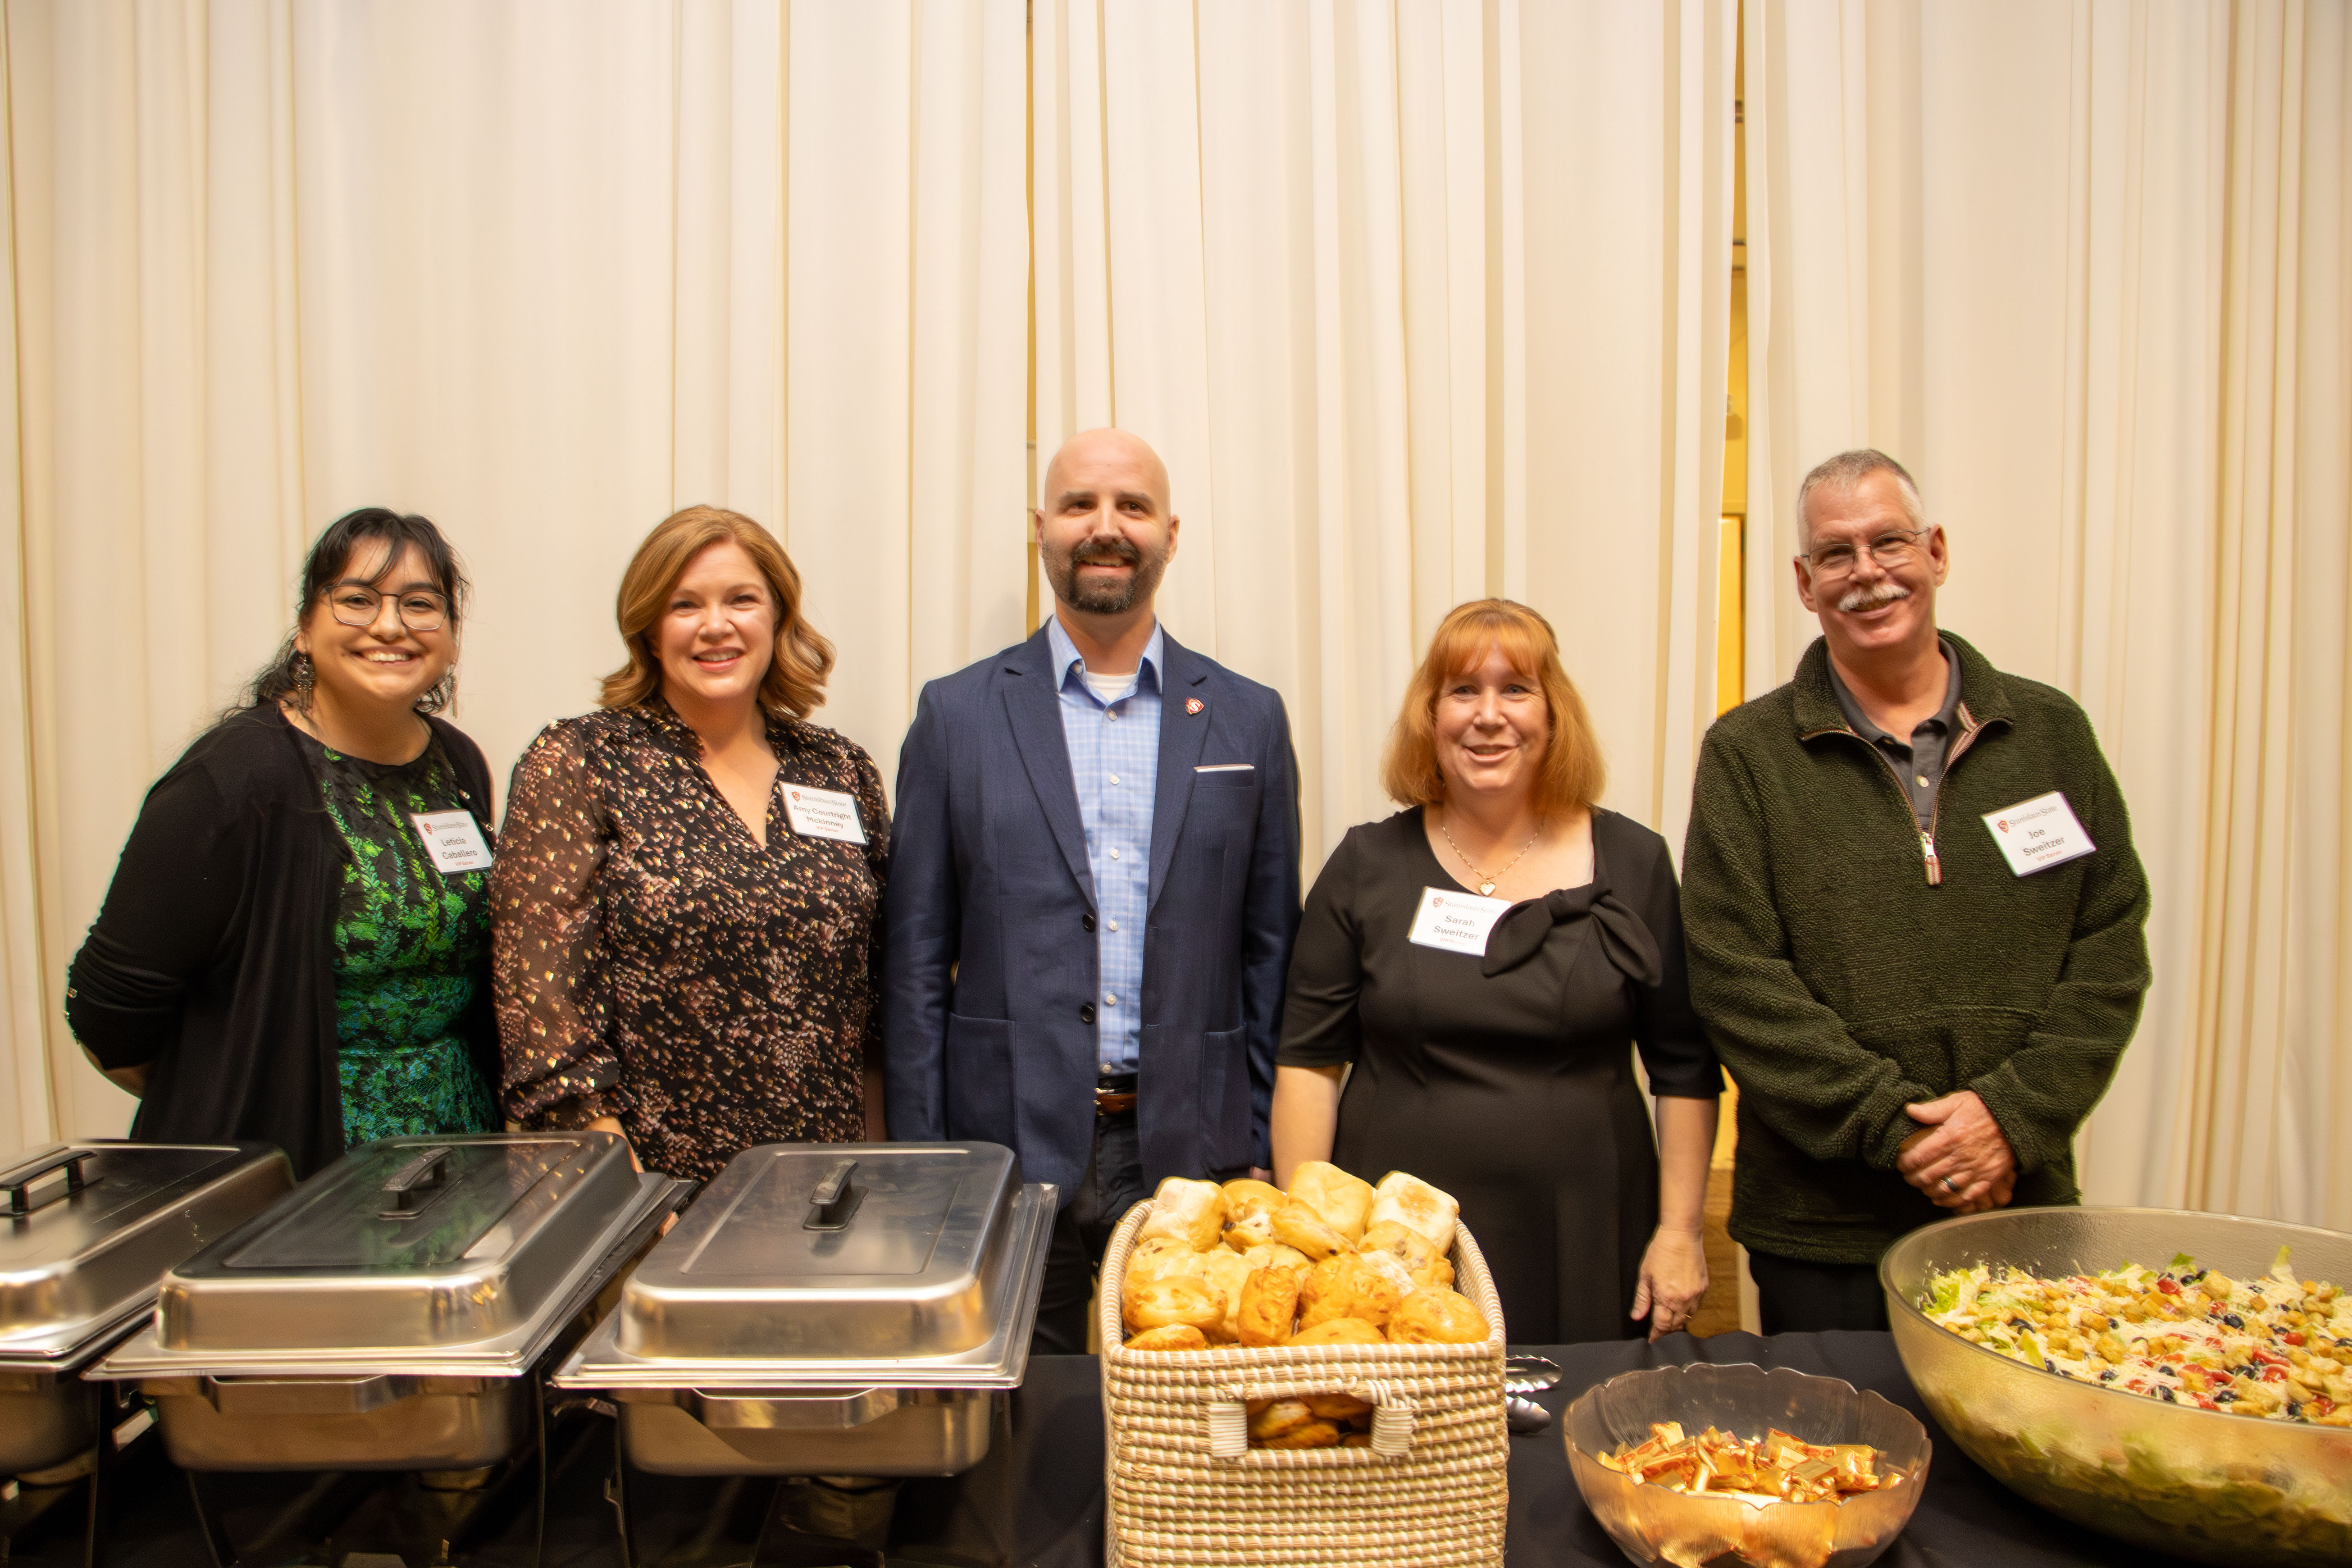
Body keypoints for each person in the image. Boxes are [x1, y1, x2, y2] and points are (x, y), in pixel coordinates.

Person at [1681, 449, 2152, 1334]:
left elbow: (2110, 943)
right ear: (1803, 583)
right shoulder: (1748, 756)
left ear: (1936, 551)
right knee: (1837, 1472)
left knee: (2027, 1464)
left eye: (1888, 542)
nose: (1868, 573)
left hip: (2020, 1209)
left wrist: (2009, 1121)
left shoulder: (2050, 735)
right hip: (1823, 1237)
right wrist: (1909, 1138)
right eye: (1836, 554)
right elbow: (1735, 979)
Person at [884, 427, 1302, 1354]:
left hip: (1194, 1151)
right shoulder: (956, 715)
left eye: (1132, 507)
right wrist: (920, 1163)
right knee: (1013, 1412)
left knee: (1179, 1421)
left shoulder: (1247, 716)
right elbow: (914, 958)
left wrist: (1269, 1143)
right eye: (1079, 505)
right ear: (1041, 527)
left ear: (1171, 532)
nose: (1105, 528)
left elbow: (1273, 953)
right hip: (1002, 1143)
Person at [1271, 599, 1720, 1344]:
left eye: (1516, 689)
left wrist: (1680, 1232)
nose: (1489, 716)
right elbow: (1308, 1066)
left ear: (1553, 714)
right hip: (1394, 1236)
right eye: (1462, 691)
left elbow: (1684, 1069)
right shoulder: (1365, 866)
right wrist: (1306, 1247)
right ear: (1430, 715)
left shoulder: (1636, 862)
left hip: (1586, 1221)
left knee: (1578, 1434)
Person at [66, 509, 499, 1177]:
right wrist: (232, 1097)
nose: (390, 626)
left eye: (421, 605)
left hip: (458, 1147)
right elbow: (109, 1009)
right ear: (304, 628)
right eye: (357, 601)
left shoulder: (458, 764)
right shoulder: (233, 781)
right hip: (300, 1166)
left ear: (450, 638)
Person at [495, 506, 888, 1182]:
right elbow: (543, 1014)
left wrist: (877, 1170)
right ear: (648, 628)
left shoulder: (838, 769)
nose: (716, 625)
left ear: (778, 618)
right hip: (654, 1188)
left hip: (827, 1184)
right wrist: (634, 1211)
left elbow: (875, 997)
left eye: (742, 600)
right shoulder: (581, 761)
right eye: (685, 604)